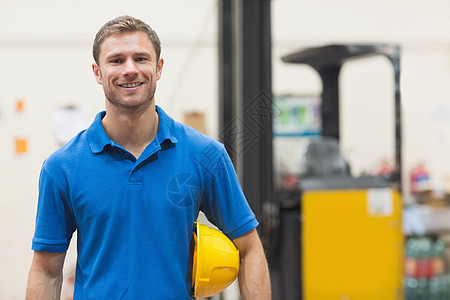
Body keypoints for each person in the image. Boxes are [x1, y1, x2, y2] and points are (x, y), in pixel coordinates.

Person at [26, 15, 271, 300]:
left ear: (158, 67)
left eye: (141, 58)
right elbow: (46, 270)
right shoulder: (62, 168)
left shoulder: (205, 156)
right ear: (97, 71)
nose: (130, 69)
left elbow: (249, 249)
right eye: (116, 60)